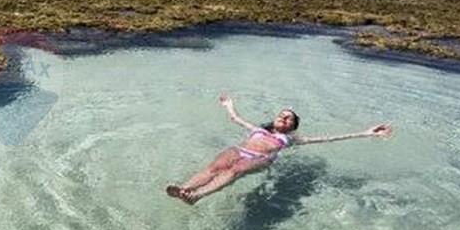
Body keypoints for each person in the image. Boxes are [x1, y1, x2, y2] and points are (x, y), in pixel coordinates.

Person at [166, 94, 392, 204]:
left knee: (235, 170)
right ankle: (184, 189)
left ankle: (197, 195)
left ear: (293, 126)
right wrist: (229, 105)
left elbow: (328, 139)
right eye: (281, 115)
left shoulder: (291, 139)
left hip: (261, 158)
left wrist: (366, 133)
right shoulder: (258, 129)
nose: (284, 117)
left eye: (288, 118)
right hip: (240, 149)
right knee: (214, 168)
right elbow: (236, 119)